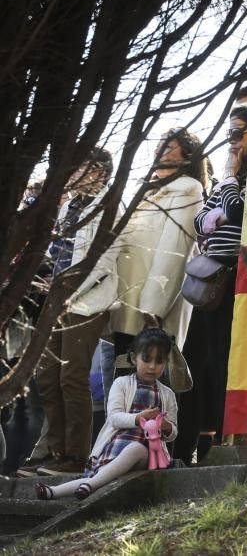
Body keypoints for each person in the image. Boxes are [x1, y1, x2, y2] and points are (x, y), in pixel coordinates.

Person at [172, 103, 247, 466]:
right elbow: (200, 221)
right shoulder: (230, 177)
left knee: (230, 360)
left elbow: (245, 216)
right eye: (228, 133)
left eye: (237, 132)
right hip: (210, 277)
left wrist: (227, 187)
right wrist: (223, 207)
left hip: (242, 279)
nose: (231, 142)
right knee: (197, 362)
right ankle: (187, 446)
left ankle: (230, 438)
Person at [30, 148, 124, 476]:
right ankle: (53, 452)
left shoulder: (109, 206)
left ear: (99, 173)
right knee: (46, 377)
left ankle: (75, 457)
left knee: (72, 377)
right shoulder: (70, 206)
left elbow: (104, 260)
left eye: (81, 168)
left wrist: (69, 293)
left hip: (87, 302)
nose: (74, 174)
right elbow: (56, 251)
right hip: (54, 302)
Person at [35, 328, 178, 500]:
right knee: (101, 474)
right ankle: (54, 492)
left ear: (166, 363)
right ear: (134, 358)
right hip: (117, 445)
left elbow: (173, 433)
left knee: (135, 449)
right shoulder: (122, 383)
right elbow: (114, 418)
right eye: (146, 360)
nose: (152, 366)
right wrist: (138, 417)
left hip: (149, 454)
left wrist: (166, 426)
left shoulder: (167, 394)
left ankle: (89, 486)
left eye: (159, 361)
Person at [111, 128, 206, 377]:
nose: (158, 151)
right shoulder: (149, 190)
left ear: (187, 157)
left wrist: (152, 310)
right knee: (122, 391)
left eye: (167, 146)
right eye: (159, 145)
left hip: (149, 315)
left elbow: (174, 252)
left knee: (145, 396)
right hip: (126, 305)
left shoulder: (188, 190)